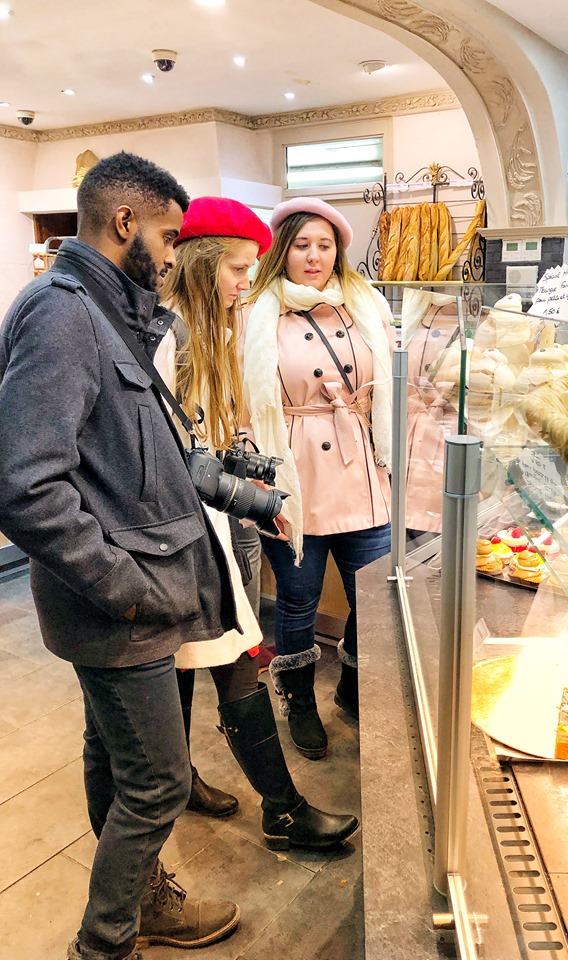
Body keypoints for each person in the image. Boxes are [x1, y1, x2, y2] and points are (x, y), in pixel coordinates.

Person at [0, 152, 243, 960]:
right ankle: (104, 944)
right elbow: (26, 484)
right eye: (171, 237)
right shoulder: (63, 313)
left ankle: (143, 902)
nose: (176, 255)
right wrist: (127, 589)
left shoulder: (112, 312)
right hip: (118, 606)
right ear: (126, 223)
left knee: (116, 755)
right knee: (159, 781)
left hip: (131, 594)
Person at [156, 194, 359, 848]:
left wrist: (258, 471)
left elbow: (216, 436)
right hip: (180, 538)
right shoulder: (167, 335)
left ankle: (195, 780)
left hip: (208, 529)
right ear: (201, 261)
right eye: (239, 267)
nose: (249, 281)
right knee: (231, 658)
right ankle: (282, 809)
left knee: (205, 659)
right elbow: (176, 458)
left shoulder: (218, 328)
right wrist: (262, 500)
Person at [242, 197, 393, 759]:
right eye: (302, 245)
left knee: (372, 596)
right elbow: (241, 402)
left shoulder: (364, 305)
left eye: (325, 246)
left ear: (339, 252)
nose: (314, 257)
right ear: (283, 249)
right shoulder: (256, 312)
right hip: (294, 468)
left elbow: (391, 377)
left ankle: (354, 689)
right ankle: (299, 700)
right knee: (300, 600)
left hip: (362, 467)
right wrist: (257, 478)